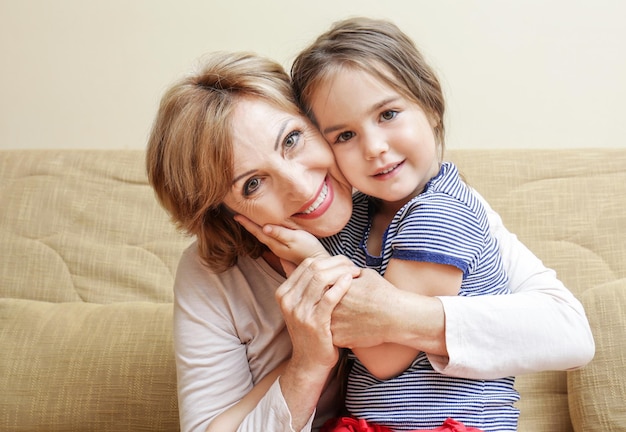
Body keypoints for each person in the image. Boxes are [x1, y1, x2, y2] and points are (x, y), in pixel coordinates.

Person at [145, 50, 594, 432]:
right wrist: (308, 362)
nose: (301, 188)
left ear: (317, 121)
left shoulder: (416, 202)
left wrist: (397, 314)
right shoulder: (212, 274)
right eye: (252, 184)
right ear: (224, 211)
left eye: (293, 139)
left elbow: (570, 332)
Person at [237, 17, 520, 431]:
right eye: (344, 136)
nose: (374, 147)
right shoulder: (363, 211)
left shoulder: (440, 214)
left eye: (388, 113)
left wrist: (316, 262)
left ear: (432, 108)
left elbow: (385, 358)